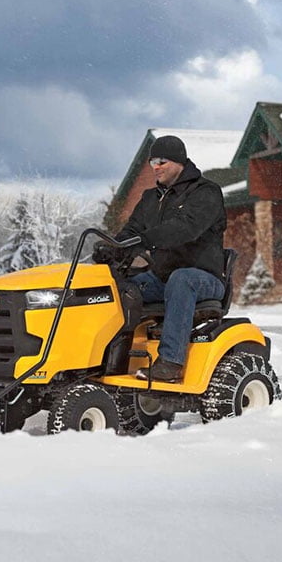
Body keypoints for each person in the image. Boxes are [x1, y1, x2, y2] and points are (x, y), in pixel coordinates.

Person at [93, 135, 227, 382]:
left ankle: (171, 363)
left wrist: (146, 239)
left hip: (203, 278)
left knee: (181, 279)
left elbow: (185, 228)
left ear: (179, 162)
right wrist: (114, 248)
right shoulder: (150, 199)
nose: (155, 167)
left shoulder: (206, 192)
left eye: (162, 161)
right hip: (161, 278)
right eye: (153, 161)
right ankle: (108, 358)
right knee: (120, 289)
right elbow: (132, 231)